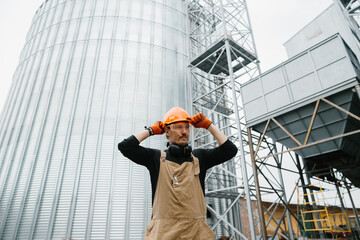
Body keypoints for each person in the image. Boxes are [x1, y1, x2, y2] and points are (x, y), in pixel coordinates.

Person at [118, 107, 238, 240]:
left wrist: (208, 125)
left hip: (196, 234)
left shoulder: (199, 157)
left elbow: (230, 150)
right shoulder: (156, 158)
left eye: (187, 127)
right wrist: (151, 130)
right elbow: (125, 147)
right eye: (178, 127)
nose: (184, 132)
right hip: (163, 235)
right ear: (167, 132)